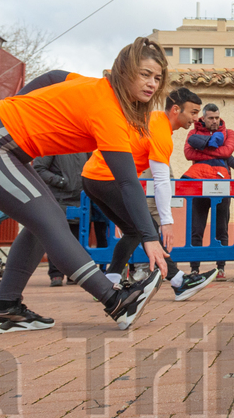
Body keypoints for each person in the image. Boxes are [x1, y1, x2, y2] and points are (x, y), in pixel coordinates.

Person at [0, 37, 174, 334]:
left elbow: (52, 76)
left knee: (46, 219)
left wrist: (22, 102)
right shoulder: (108, 110)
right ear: (125, 70)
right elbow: (128, 182)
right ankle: (116, 300)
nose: (152, 83)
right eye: (144, 74)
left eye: (157, 77)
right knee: (50, 219)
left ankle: (3, 309)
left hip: (0, 145)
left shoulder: (92, 86)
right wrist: (148, 237)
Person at [81, 87, 216, 302]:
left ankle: (108, 282)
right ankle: (179, 281)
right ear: (175, 110)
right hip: (105, 178)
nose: (196, 118)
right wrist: (167, 221)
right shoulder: (161, 133)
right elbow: (161, 181)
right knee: (148, 228)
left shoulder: (154, 118)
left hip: (92, 177)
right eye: (192, 112)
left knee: (134, 231)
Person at [183, 103, 234, 280]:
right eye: (211, 118)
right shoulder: (193, 133)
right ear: (203, 118)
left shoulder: (229, 133)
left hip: (222, 186)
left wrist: (203, 148)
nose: (215, 121)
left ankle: (220, 268)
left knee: (221, 228)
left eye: (217, 117)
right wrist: (218, 153)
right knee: (196, 228)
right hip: (198, 186)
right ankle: (194, 269)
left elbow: (228, 150)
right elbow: (188, 154)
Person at [32, 151, 105, 286]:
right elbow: (38, 168)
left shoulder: (84, 145)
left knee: (79, 240)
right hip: (58, 198)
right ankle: (56, 275)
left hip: (82, 200)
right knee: (56, 238)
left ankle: (74, 274)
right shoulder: (54, 143)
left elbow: (93, 165)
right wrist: (61, 181)